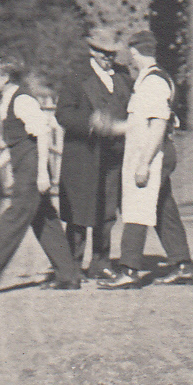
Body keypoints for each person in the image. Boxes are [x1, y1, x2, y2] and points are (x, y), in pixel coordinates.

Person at [0, 56, 83, 291]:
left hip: (31, 172)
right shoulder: (8, 101)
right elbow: (17, 144)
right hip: (24, 167)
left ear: (5, 77)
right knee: (46, 222)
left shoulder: (23, 100)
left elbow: (43, 134)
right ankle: (69, 275)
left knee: (11, 220)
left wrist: (43, 175)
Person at [100, 29, 193, 287]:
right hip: (150, 152)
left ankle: (129, 270)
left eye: (130, 53)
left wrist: (144, 163)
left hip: (151, 153)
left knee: (137, 205)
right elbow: (138, 124)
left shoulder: (153, 82)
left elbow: (157, 125)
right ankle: (183, 265)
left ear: (134, 52)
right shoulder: (146, 80)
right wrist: (111, 127)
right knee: (163, 207)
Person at [54, 26, 132, 279]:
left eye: (111, 53)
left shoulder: (123, 76)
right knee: (80, 210)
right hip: (84, 155)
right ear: (92, 51)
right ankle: (72, 266)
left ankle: (101, 262)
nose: (108, 58)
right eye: (102, 53)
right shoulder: (76, 77)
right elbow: (63, 114)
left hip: (114, 154)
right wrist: (90, 122)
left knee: (107, 211)